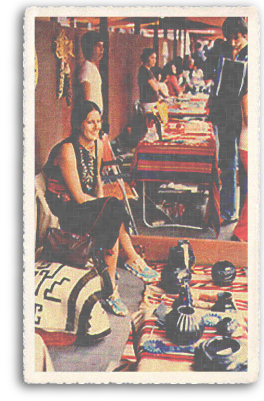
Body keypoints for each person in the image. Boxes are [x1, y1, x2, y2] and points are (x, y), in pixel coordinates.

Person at [44, 101, 159, 316]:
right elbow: (78, 197)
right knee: (112, 208)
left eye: (99, 121)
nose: (97, 126)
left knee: (111, 209)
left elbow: (96, 179)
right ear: (79, 124)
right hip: (67, 211)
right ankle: (123, 272)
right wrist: (103, 207)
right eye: (90, 122)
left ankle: (112, 286)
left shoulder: (96, 144)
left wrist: (101, 205)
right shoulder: (66, 150)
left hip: (86, 204)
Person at [207, 17, 248, 226]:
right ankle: (228, 211)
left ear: (245, 34)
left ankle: (245, 217)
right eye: (228, 38)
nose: (232, 42)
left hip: (244, 116)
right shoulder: (221, 49)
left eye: (236, 38)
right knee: (227, 163)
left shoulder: (252, 53)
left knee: (246, 166)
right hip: (224, 115)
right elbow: (213, 79)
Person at [79, 31, 104, 114]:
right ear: (90, 47)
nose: (102, 49)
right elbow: (86, 98)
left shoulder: (93, 67)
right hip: (91, 116)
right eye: (98, 46)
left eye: (102, 46)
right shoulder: (87, 67)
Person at [137, 48, 160, 113]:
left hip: (152, 103)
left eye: (155, 58)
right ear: (146, 58)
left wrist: (156, 83)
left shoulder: (149, 71)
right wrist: (157, 83)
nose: (154, 61)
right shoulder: (144, 71)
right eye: (152, 58)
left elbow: (157, 85)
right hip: (148, 104)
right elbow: (156, 88)